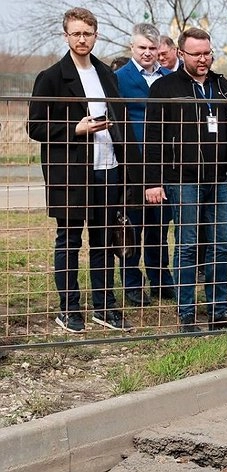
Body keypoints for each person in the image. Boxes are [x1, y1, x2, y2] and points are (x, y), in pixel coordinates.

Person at [27, 7, 141, 332]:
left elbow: (121, 123)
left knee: (104, 241)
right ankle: (70, 309)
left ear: (96, 35)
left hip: (109, 168)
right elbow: (35, 127)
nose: (81, 39)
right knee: (69, 241)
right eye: (76, 33)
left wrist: (132, 170)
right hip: (72, 173)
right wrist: (75, 129)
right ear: (66, 36)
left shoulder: (107, 74)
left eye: (87, 33)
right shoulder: (51, 77)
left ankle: (105, 307)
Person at [144, 28, 227, 333]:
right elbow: (153, 137)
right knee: (188, 245)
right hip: (182, 179)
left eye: (207, 53)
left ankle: (219, 312)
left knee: (221, 244)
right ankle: (187, 314)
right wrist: (153, 181)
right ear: (181, 54)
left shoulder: (220, 84)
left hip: (219, 178)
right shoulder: (165, 87)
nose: (203, 59)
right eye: (196, 54)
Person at [115, 23, 176, 305]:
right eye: (142, 47)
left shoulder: (168, 78)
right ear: (132, 47)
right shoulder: (119, 79)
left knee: (159, 226)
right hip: (132, 165)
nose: (148, 53)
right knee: (132, 226)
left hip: (164, 163)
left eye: (153, 48)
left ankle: (161, 279)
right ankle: (131, 283)